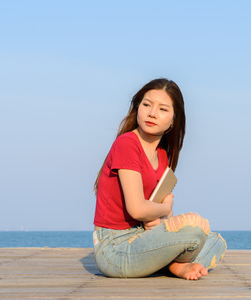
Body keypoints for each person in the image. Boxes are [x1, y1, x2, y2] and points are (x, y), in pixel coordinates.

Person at [93, 78, 226, 280]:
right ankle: (176, 266)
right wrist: (165, 210)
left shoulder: (163, 154)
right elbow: (137, 209)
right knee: (194, 231)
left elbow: (163, 215)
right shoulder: (127, 144)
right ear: (137, 108)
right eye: (146, 105)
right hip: (116, 249)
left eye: (163, 109)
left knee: (215, 240)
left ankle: (172, 264)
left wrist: (162, 218)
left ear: (173, 120)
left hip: (143, 237)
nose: (152, 113)